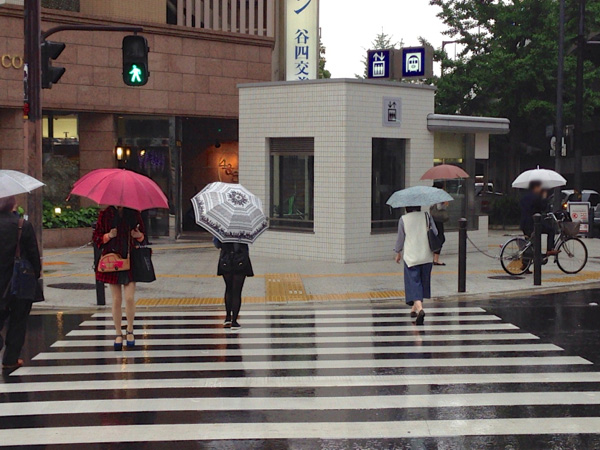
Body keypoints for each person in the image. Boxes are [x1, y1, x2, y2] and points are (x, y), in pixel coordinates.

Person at [93, 206, 145, 350]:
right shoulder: (105, 215)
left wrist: (138, 235)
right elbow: (96, 238)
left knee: (129, 297)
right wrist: (108, 236)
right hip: (113, 261)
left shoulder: (134, 213)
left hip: (130, 260)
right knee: (116, 299)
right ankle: (118, 333)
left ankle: (130, 329)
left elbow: (144, 237)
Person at [0, 196, 41, 371]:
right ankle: (10, 359)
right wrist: (35, 275)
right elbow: (33, 255)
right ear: (12, 205)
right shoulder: (22, 225)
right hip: (20, 280)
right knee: (18, 320)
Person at [394, 205, 438, 326]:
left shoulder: (404, 219)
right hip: (426, 256)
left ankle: (420, 309)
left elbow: (400, 239)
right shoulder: (426, 216)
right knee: (422, 283)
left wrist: (398, 252)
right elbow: (435, 232)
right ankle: (414, 309)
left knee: (414, 283)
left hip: (411, 257)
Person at [214, 237, 253, 330]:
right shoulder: (243, 231)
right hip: (241, 261)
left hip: (226, 260)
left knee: (228, 289)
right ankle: (234, 321)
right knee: (237, 292)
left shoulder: (222, 230)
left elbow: (217, 244)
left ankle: (228, 317)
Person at [520, 181, 556, 256]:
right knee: (551, 230)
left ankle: (527, 260)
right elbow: (543, 208)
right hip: (534, 223)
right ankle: (550, 249)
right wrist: (544, 197)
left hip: (524, 223)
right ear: (535, 187)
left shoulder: (524, 197)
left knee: (530, 243)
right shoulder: (536, 197)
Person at [430, 181, 449, 266]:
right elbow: (439, 207)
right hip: (438, 220)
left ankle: (434, 256)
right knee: (440, 238)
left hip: (433, 219)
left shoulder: (432, 195)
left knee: (437, 237)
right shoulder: (439, 196)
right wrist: (445, 203)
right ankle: (436, 259)